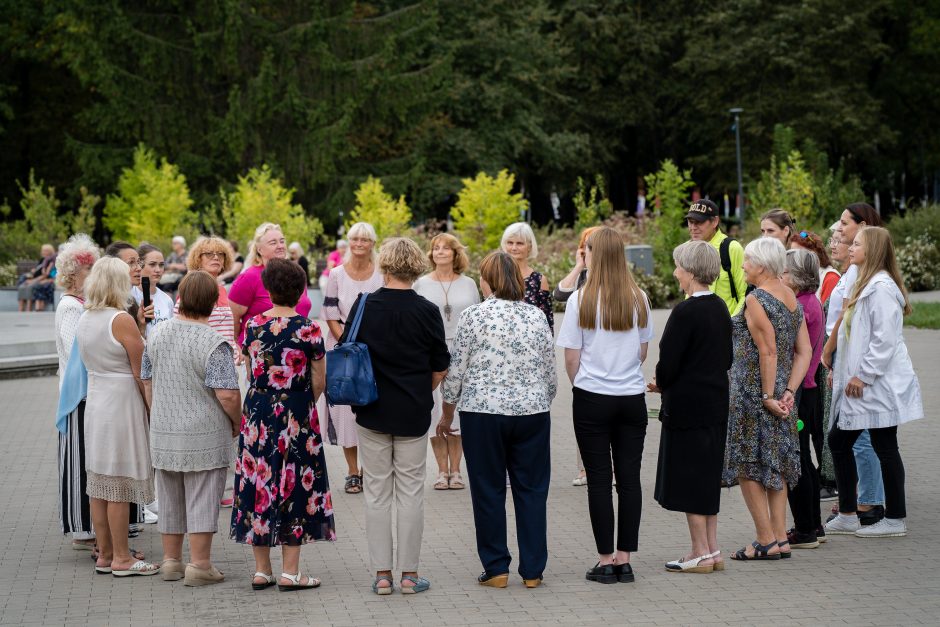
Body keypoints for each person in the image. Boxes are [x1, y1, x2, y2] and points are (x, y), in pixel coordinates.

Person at [440, 251, 555, 589]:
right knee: (532, 490)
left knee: (488, 489)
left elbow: (456, 369)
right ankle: (533, 569)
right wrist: (538, 399)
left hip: (483, 413)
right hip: (532, 412)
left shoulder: (473, 316)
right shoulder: (535, 316)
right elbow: (549, 372)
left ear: (487, 280)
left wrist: (447, 413)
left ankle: (496, 568)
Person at [341, 238, 449, 595]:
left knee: (375, 492)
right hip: (413, 413)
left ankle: (382, 574)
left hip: (370, 410)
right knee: (411, 492)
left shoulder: (364, 304)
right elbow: (440, 365)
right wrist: (421, 391)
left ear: (384, 266)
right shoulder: (427, 310)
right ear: (417, 267)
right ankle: (409, 574)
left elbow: (347, 346)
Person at [231, 257, 335, 591]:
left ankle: (262, 570)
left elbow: (251, 369)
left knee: (258, 481)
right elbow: (319, 379)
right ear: (301, 290)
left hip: (259, 410)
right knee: (296, 484)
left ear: (268, 288)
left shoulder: (253, 326)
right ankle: (291, 572)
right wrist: (303, 403)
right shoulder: (309, 328)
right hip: (297, 410)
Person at [557, 227, 653, 584]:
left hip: (592, 395)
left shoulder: (580, 300)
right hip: (631, 397)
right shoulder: (639, 298)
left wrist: (583, 384)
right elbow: (643, 351)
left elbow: (571, 356)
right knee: (629, 479)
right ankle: (625, 558)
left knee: (599, 479)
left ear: (595, 255)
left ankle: (605, 559)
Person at [141, 271, 242, 586]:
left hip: (163, 429)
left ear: (181, 299)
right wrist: (238, 423)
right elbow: (226, 393)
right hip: (203, 432)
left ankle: (171, 562)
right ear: (213, 303)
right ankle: (199, 565)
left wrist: (155, 411)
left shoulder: (155, 334)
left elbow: (147, 378)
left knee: (169, 495)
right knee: (202, 495)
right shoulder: (214, 342)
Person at [825, 227, 923, 538]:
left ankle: (893, 518)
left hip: (876, 385)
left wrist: (862, 375)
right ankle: (849, 513)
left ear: (874, 250)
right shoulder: (865, 283)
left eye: (856, 244)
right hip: (863, 386)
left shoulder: (880, 288)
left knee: (882, 446)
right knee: (843, 442)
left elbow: (884, 340)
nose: (849, 247)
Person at [722, 237, 811, 561]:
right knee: (775, 463)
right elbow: (805, 351)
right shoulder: (790, 297)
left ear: (760, 264)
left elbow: (768, 350)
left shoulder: (757, 299)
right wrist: (789, 392)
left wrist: (768, 395)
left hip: (752, 396)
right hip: (781, 397)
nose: (742, 265)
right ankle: (779, 537)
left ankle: (764, 540)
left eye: (746, 260)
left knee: (748, 466)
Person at [648, 240, 732, 574]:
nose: (675, 273)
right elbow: (726, 356)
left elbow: (668, 362)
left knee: (690, 476)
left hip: (687, 406)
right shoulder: (720, 306)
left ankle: (698, 551)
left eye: (679, 267)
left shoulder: (685, 311)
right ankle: (712, 549)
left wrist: (660, 383)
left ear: (692, 272)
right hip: (715, 401)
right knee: (707, 475)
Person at [77, 257, 159, 577]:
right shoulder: (119, 319)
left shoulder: (86, 317)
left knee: (99, 482)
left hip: (98, 398)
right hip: (122, 400)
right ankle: (123, 558)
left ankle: (106, 553)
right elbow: (141, 371)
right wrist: (152, 408)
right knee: (120, 483)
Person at [821, 203, 886, 529]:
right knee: (849, 438)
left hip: (859, 368)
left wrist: (837, 358)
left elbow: (857, 325)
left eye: (845, 225)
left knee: (860, 439)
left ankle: (869, 503)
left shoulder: (868, 276)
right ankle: (854, 503)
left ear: (862, 227)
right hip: (848, 364)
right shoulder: (854, 272)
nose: (840, 232)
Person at [414, 234, 479, 491]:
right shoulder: (421, 284)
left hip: (463, 351)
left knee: (459, 410)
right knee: (435, 411)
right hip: (431, 350)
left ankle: (457, 470)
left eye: (445, 248)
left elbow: (476, 319)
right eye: (435, 248)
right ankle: (441, 471)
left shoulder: (469, 283)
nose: (440, 252)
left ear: (455, 253)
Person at [322, 222, 383, 494]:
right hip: (343, 348)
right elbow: (330, 312)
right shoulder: (336, 274)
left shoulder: (382, 273)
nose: (359, 244)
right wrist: (347, 343)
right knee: (346, 410)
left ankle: (371, 469)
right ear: (349, 243)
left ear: (372, 243)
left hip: (375, 349)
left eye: (365, 239)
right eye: (355, 239)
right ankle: (352, 471)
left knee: (372, 407)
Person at [54, 234, 101, 551]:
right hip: (79, 396)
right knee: (80, 463)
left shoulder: (84, 305)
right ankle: (84, 530)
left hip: (89, 393)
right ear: (73, 275)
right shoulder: (71, 307)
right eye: (89, 271)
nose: (93, 276)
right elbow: (77, 353)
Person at [782, 249, 826, 549]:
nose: (780, 277)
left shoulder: (799, 306)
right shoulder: (812, 302)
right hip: (809, 389)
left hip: (799, 390)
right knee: (805, 459)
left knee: (796, 461)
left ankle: (805, 529)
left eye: (784, 272)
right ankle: (814, 524)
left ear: (796, 277)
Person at [554, 226, 601, 487]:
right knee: (585, 423)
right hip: (584, 359)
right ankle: (584, 469)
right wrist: (579, 266)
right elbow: (560, 294)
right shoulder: (582, 278)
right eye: (584, 244)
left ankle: (608, 469)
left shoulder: (616, 277)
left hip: (598, 360)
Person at [230, 223, 313, 349]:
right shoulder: (248, 277)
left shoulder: (296, 273)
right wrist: (237, 347)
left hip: (297, 353)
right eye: (273, 243)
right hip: (261, 355)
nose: (280, 246)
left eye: (282, 241)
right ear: (259, 249)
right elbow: (233, 318)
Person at [177, 237, 237, 356]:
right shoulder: (191, 289)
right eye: (209, 254)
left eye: (220, 254)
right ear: (198, 259)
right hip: (206, 362)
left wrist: (235, 346)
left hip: (231, 361)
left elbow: (226, 329)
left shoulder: (222, 290)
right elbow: (181, 332)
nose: (216, 257)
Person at [685, 200, 747, 315]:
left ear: (714, 222)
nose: (693, 227)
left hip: (727, 328)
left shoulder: (731, 248)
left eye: (698, 222)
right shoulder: (688, 249)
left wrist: (731, 324)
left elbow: (744, 294)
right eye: (690, 222)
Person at [500, 222, 553, 332]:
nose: (514, 248)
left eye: (519, 243)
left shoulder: (539, 280)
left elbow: (547, 321)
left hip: (530, 345)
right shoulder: (495, 276)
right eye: (510, 243)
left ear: (530, 246)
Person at [133, 244, 175, 337]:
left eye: (161, 265)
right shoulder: (130, 296)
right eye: (152, 264)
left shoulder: (167, 300)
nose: (158, 270)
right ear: (139, 265)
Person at [792, 230, 840, 303]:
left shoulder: (830, 278)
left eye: (798, 254)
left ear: (814, 253)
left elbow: (827, 312)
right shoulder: (797, 278)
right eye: (791, 253)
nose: (793, 258)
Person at [18, 243, 57, 311]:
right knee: (22, 286)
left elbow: (45, 275)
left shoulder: (51, 262)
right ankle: (20, 308)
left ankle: (28, 308)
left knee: (30, 286)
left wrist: (33, 281)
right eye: (43, 250)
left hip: (40, 280)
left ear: (51, 252)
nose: (44, 252)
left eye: (46, 251)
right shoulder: (42, 260)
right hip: (34, 278)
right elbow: (38, 271)